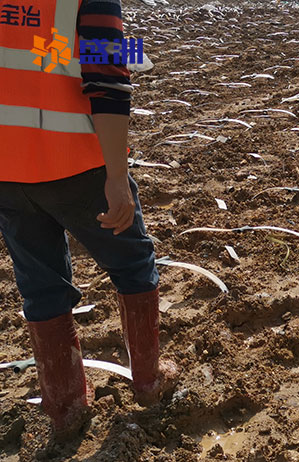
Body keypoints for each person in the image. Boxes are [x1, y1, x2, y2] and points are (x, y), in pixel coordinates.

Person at [0, 0, 177, 439]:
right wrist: (117, 175)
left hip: (6, 169)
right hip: (77, 165)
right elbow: (107, 78)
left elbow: (39, 51)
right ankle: (150, 382)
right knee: (132, 264)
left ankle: (65, 405)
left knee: (40, 285)